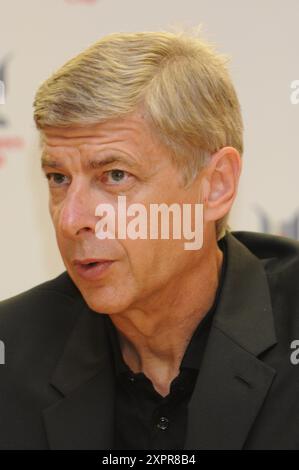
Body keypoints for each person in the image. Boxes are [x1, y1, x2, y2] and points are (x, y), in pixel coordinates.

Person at [0, 29, 299, 450]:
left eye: (115, 175)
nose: (71, 219)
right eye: (58, 178)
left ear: (215, 186)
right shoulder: (11, 351)